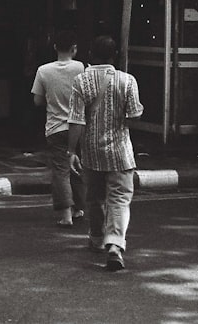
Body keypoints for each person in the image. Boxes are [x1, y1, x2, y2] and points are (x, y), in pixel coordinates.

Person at [68, 35, 144, 272]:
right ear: (115, 56)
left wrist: (71, 150)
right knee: (119, 200)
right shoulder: (128, 80)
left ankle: (96, 238)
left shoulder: (81, 81)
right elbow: (134, 116)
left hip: (91, 151)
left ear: (90, 54)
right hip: (121, 153)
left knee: (94, 198)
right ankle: (114, 245)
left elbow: (76, 121)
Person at [31, 29, 86, 227]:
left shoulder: (43, 71)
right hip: (79, 126)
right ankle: (79, 207)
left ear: (54, 47)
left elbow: (37, 101)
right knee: (77, 166)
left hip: (56, 127)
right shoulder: (81, 68)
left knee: (61, 170)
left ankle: (66, 215)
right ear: (75, 49)